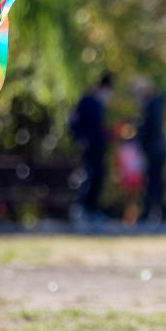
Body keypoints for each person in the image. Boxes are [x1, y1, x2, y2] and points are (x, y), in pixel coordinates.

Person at [68, 73, 113, 223]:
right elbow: (74, 121)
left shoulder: (100, 105)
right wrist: (79, 138)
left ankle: (93, 209)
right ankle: (81, 209)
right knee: (87, 176)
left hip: (98, 148)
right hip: (88, 148)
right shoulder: (87, 101)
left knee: (98, 177)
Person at [134, 77, 166, 222]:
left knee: (153, 181)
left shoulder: (152, 104)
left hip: (154, 149)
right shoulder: (155, 103)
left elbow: (151, 127)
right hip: (154, 148)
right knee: (153, 181)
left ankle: (153, 212)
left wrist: (139, 131)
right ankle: (154, 211)